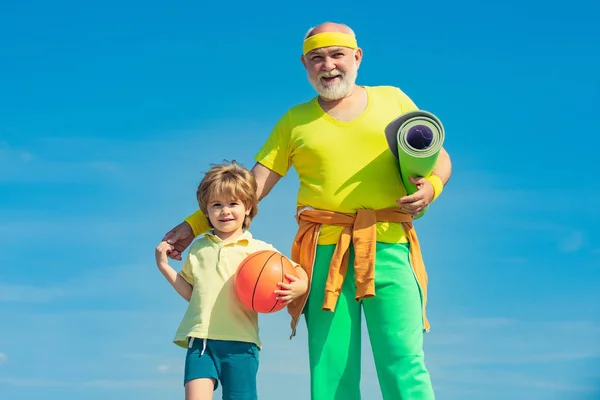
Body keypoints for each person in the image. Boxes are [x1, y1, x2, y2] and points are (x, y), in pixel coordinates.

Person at [163, 22, 452, 400]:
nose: (328, 65)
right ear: (305, 64)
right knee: (331, 367)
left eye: (337, 55)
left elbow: (439, 158)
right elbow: (250, 190)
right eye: (317, 58)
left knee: (403, 358)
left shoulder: (393, 99)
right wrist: (192, 225)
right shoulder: (294, 122)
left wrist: (433, 187)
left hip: (390, 244)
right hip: (323, 254)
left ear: (357, 57)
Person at [155, 160, 309, 400]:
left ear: (248, 207)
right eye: (216, 205)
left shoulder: (259, 250)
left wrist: (300, 285)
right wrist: (164, 267)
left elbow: (299, 272)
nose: (225, 211)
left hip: (241, 343)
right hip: (202, 342)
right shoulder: (199, 248)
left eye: (233, 203)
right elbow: (193, 294)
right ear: (206, 211)